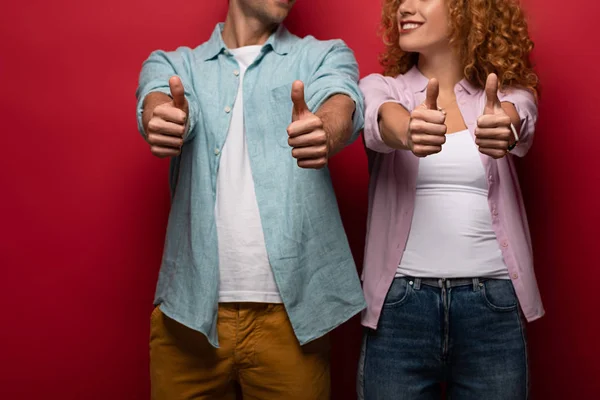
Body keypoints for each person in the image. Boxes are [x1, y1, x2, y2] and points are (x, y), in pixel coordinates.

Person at [135, 0, 366, 398]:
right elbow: (158, 100)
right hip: (189, 316)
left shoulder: (324, 55)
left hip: (293, 320)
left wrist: (325, 131)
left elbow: (342, 101)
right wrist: (165, 118)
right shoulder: (174, 64)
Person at [357, 0, 543, 398]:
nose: (404, 7)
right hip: (401, 309)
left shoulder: (506, 96)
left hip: (492, 306)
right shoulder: (382, 87)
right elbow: (381, 118)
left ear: (468, 10)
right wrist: (408, 131)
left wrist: (504, 127)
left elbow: (518, 115)